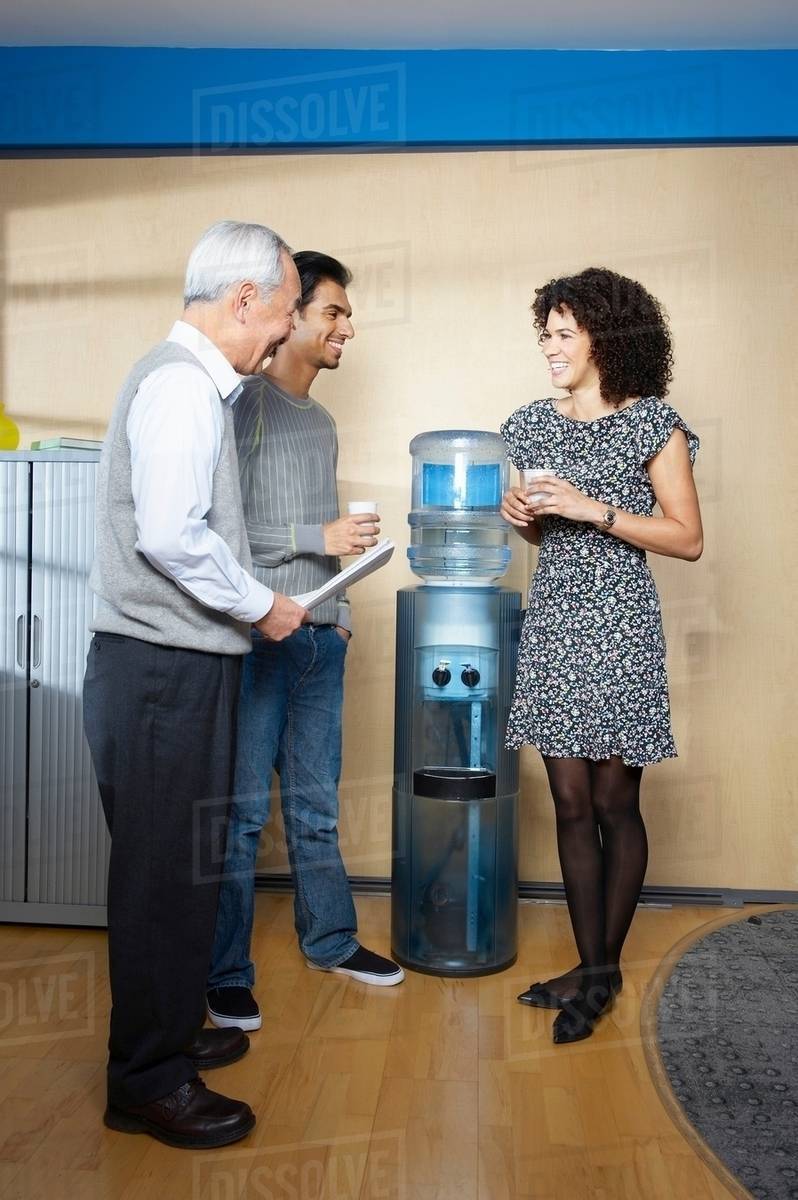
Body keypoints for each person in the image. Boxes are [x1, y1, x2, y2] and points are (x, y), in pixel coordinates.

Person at [83, 220, 307, 1148]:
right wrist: (263, 605)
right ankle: (147, 1082)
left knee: (183, 866)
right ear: (244, 300)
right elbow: (171, 535)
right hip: (160, 673)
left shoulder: (191, 384)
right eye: (286, 311)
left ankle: (168, 1035)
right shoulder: (181, 387)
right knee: (162, 878)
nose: (287, 331)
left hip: (173, 667)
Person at [500, 266, 703, 1045]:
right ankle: (593, 970)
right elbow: (540, 533)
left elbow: (686, 538)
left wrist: (594, 508)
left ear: (606, 338)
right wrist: (523, 516)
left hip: (620, 626)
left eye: (564, 334)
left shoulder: (653, 423)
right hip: (555, 622)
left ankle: (597, 974)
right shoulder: (529, 424)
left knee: (616, 803)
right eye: (544, 335)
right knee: (570, 802)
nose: (549, 348)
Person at [206, 250, 403, 1034]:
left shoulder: (320, 422)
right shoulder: (241, 404)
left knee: (317, 807)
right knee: (241, 817)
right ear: (289, 318)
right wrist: (316, 534)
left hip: (321, 641)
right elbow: (219, 531)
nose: (346, 327)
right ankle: (225, 974)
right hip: (258, 637)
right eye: (333, 312)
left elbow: (325, 540)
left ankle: (331, 941)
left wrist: (342, 608)